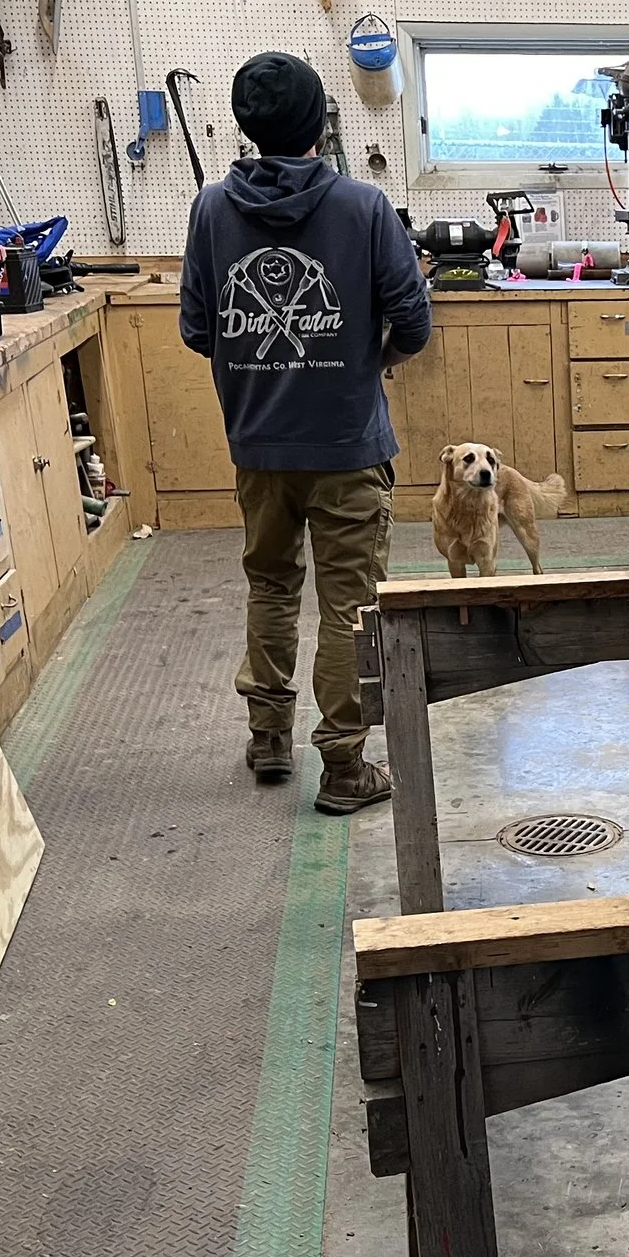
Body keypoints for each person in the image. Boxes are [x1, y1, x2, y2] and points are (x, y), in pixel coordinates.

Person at [180, 51, 431, 814]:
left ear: (249, 127)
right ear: (321, 121)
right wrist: (367, 361)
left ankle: (267, 738)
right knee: (350, 606)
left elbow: (197, 329)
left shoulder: (211, 209)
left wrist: (261, 365)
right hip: (348, 448)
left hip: (258, 448)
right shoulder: (364, 207)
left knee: (270, 585)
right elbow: (414, 324)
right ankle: (345, 767)